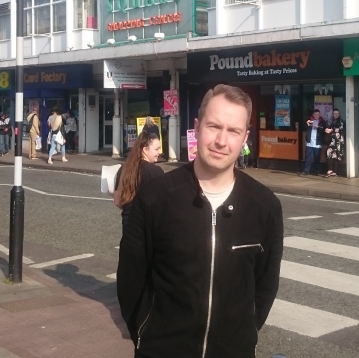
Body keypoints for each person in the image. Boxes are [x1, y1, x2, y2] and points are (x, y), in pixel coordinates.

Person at [117, 84, 284, 357]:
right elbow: (130, 280)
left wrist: (246, 333)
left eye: (233, 131)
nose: (221, 140)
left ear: (245, 138)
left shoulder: (265, 207)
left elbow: (265, 286)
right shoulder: (155, 198)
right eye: (213, 126)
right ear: (196, 127)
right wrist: (145, 333)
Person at [113, 130, 164, 228]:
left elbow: (117, 201)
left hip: (128, 224)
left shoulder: (124, 169)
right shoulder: (155, 171)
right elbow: (163, 203)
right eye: (157, 149)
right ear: (145, 150)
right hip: (148, 225)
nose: (159, 152)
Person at [300, 109, 326, 176]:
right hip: (309, 143)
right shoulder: (310, 120)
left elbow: (324, 130)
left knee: (317, 158)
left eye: (318, 114)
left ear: (319, 115)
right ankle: (306, 171)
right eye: (315, 114)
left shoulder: (322, 122)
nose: (317, 116)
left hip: (318, 143)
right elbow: (304, 128)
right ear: (313, 115)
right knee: (308, 158)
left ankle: (316, 171)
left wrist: (318, 127)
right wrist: (307, 124)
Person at [325, 109, 345, 177]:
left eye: (337, 113)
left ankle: (331, 170)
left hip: (338, 140)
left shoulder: (340, 121)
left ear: (339, 114)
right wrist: (327, 129)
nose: (336, 115)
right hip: (333, 140)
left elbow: (340, 128)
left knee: (330, 152)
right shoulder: (333, 121)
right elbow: (330, 128)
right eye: (334, 113)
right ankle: (333, 171)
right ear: (333, 114)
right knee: (334, 155)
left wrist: (331, 130)